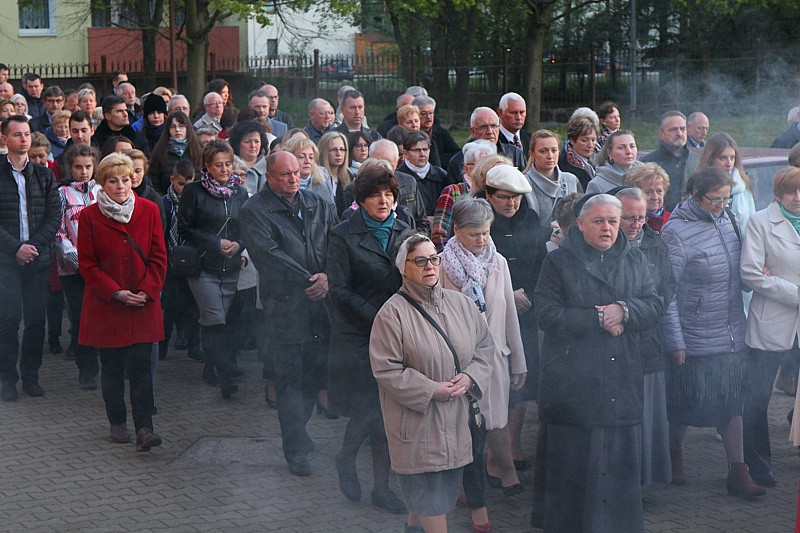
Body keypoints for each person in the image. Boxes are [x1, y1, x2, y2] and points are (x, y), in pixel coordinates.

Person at [534, 193, 664, 532]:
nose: (607, 228)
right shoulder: (559, 262)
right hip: (574, 385)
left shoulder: (634, 258)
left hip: (621, 379)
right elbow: (546, 314)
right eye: (598, 221)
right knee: (574, 478)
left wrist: (625, 310)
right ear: (579, 224)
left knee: (617, 474)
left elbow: (654, 304)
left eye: (612, 221)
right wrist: (598, 319)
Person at [369, 233, 494, 533]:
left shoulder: (461, 304)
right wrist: (431, 390)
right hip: (417, 426)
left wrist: (470, 377)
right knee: (430, 501)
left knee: (429, 501)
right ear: (404, 267)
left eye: (434, 258)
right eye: (420, 260)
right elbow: (386, 370)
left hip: (456, 423)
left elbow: (485, 348)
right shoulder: (391, 314)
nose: (430, 266)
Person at [660, 166, 766, 500]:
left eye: (726, 199)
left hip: (731, 332)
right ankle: (674, 456)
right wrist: (675, 340)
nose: (722, 205)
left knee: (732, 403)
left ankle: (738, 471)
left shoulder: (730, 220)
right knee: (684, 405)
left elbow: (743, 271)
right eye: (715, 200)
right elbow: (667, 293)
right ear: (696, 194)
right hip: (693, 336)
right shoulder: (675, 232)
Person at [239, 151, 339, 477]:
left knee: (315, 379)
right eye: (285, 175)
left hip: (321, 308)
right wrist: (312, 281)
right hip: (284, 308)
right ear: (268, 177)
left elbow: (336, 246)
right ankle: (294, 450)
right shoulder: (254, 211)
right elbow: (269, 255)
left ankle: (299, 434)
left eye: (296, 172)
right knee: (290, 383)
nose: (293, 179)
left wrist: (329, 277)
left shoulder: (318, 204)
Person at [441, 193, 528, 527]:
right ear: (457, 230)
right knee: (463, 427)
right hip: (459, 362)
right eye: (473, 233)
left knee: (496, 420)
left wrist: (518, 361)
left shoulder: (498, 262)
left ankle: (503, 471)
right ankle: (469, 485)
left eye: (486, 232)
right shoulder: (442, 263)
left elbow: (508, 315)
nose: (481, 240)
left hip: (496, 358)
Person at [327, 163, 409, 514]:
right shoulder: (342, 234)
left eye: (389, 194)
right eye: (376, 194)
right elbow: (339, 290)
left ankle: (381, 488)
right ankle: (345, 458)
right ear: (361, 199)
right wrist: (379, 318)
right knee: (368, 409)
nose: (384, 200)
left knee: (387, 416)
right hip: (358, 336)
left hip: (397, 338)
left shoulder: (405, 231)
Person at [77, 152, 166, 451]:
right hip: (108, 306)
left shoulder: (150, 209)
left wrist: (147, 290)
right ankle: (117, 421)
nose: (120, 186)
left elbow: (158, 257)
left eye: (125, 180)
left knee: (141, 368)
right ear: (102, 184)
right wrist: (115, 292)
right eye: (113, 181)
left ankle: (144, 429)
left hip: (143, 304)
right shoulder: (89, 217)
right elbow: (87, 265)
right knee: (113, 369)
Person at [740, 167, 800, 488]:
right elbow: (750, 274)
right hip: (772, 323)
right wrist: (794, 293)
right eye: (792, 191)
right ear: (778, 194)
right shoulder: (760, 222)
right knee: (758, 396)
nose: (799, 197)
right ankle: (758, 463)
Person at [177, 140, 247, 399]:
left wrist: (239, 245)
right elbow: (184, 228)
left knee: (222, 321)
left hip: (232, 266)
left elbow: (247, 225)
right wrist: (216, 243)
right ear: (206, 166)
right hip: (204, 265)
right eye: (219, 165)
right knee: (214, 318)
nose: (225, 170)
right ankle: (226, 374)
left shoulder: (240, 192)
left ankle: (211, 367)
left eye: (228, 164)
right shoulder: (194, 192)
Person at [615, 187, 674, 486]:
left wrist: (633, 313)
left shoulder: (656, 246)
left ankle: (641, 482)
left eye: (640, 218)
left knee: (646, 417)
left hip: (647, 343)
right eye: (628, 218)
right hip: (613, 347)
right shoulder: (604, 248)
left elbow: (665, 294)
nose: (636, 224)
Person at [0, 115, 61, 401]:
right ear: (5, 139)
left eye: (26, 134)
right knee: (8, 321)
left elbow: (54, 217)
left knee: (36, 322)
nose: (23, 139)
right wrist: (15, 249)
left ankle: (31, 378)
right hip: (5, 262)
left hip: (37, 260)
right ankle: (7, 380)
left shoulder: (45, 175)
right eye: (17, 134)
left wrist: (32, 246)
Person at [54, 144, 102, 390]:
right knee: (82, 317)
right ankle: (87, 369)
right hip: (73, 270)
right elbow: (59, 231)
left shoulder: (102, 192)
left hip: (102, 269)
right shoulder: (62, 193)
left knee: (103, 316)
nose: (84, 172)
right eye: (78, 167)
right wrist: (78, 260)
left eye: (88, 167)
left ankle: (108, 362)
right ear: (70, 168)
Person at [160, 159, 201, 363]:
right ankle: (162, 346)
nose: (185, 189)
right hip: (170, 262)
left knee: (194, 307)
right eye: (181, 184)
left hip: (192, 262)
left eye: (189, 183)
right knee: (170, 307)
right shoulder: (164, 203)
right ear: (172, 180)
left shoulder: (197, 201)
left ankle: (194, 345)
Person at [432, 140, 497, 251]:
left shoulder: (495, 194)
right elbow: (439, 233)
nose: (483, 170)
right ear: (466, 169)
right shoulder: (452, 192)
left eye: (487, 166)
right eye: (478, 165)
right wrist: (447, 259)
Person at [522, 129, 582, 230]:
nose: (550, 156)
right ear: (532, 154)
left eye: (554, 150)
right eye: (543, 151)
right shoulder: (523, 183)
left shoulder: (571, 180)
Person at [641, 111, 700, 211]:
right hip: (660, 220)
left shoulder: (697, 160)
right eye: (673, 129)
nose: (679, 133)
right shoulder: (648, 163)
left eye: (682, 129)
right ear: (661, 134)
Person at [447, 107, 525, 183]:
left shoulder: (515, 153)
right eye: (484, 127)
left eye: (494, 126)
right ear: (473, 131)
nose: (490, 131)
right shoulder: (458, 161)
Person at [698, 132, 756, 231]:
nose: (729, 163)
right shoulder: (700, 186)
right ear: (711, 159)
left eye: (732, 158)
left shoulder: (743, 185)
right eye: (723, 158)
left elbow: (752, 221)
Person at [148, 111, 204, 196]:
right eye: (173, 127)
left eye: (181, 126)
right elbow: (153, 182)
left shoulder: (198, 150)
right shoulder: (160, 152)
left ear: (188, 128)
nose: (177, 130)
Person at [397, 130, 448, 218]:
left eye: (425, 149)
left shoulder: (441, 175)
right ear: (405, 153)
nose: (422, 154)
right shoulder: (398, 177)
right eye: (417, 150)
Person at [283, 135, 334, 205]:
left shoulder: (323, 179)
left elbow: (331, 211)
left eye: (311, 157)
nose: (307, 161)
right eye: (301, 157)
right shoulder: (280, 183)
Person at [414, 95, 461, 166]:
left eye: (431, 113)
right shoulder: (410, 134)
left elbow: (456, 154)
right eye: (423, 114)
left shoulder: (441, 133)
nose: (428, 117)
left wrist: (437, 158)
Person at [625, 162, 672, 233]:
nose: (655, 197)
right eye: (649, 192)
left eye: (659, 191)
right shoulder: (631, 223)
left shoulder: (672, 219)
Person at [557, 115, 599, 190]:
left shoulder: (600, 158)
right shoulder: (562, 164)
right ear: (572, 140)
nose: (590, 145)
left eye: (593, 140)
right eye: (584, 140)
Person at [228, 120, 269, 197]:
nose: (253, 145)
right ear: (238, 143)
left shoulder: (269, 167)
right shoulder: (228, 165)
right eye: (247, 141)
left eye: (256, 141)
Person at [317, 131, 352, 215]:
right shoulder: (316, 177)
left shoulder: (350, 176)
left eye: (342, 149)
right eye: (333, 150)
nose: (339, 154)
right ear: (324, 151)